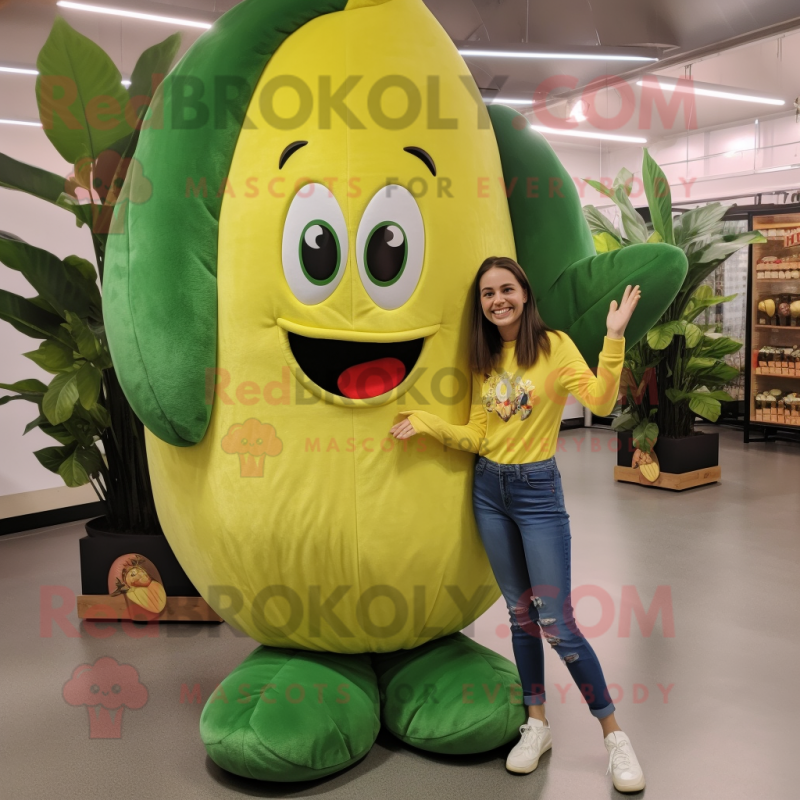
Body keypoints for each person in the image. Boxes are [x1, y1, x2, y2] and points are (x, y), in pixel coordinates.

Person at [389, 256, 645, 792]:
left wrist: (614, 339)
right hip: (489, 491)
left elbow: (600, 398)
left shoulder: (554, 346)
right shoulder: (483, 357)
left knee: (556, 620)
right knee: (521, 614)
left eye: (506, 289)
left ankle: (614, 736)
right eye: (487, 293)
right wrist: (429, 422)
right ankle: (537, 724)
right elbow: (479, 436)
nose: (497, 300)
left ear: (524, 294)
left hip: (537, 494)